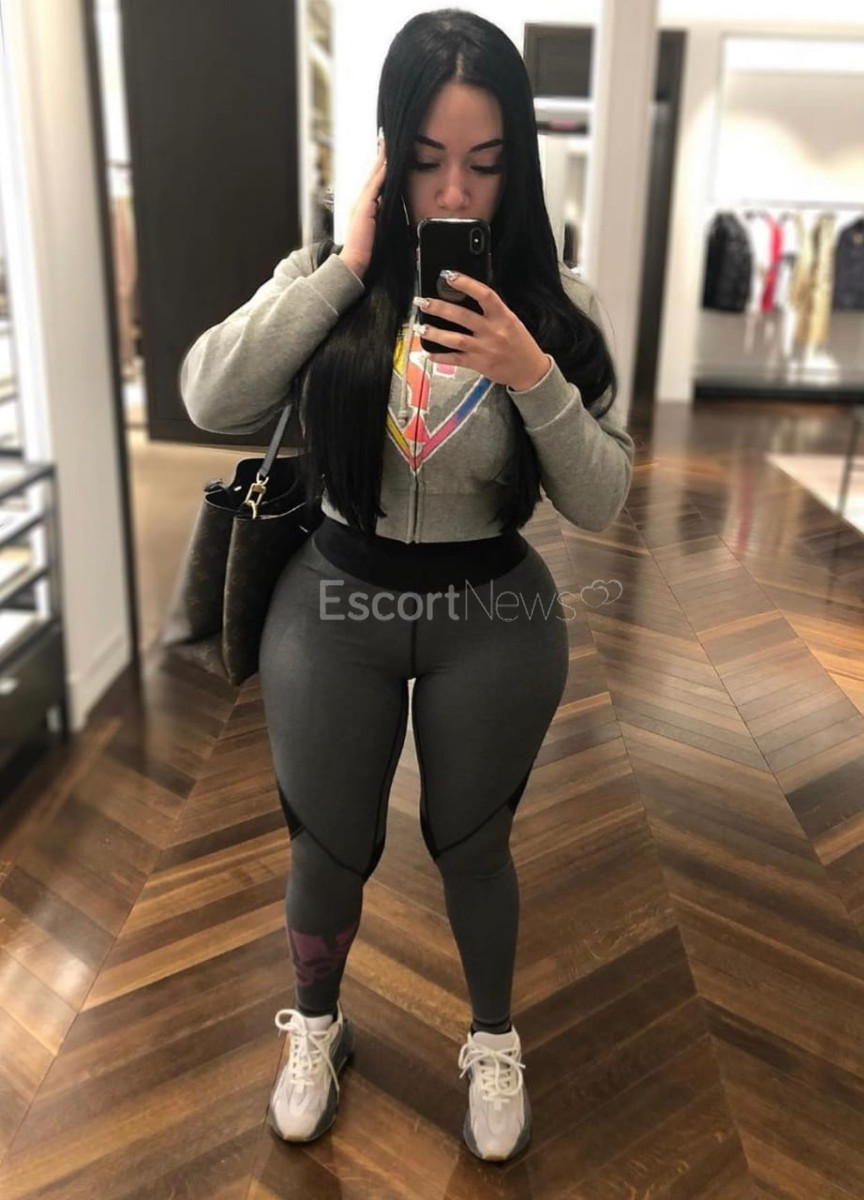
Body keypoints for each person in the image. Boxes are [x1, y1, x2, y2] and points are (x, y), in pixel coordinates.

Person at [178, 7, 634, 1165]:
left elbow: (602, 500)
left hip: (495, 611)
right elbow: (210, 397)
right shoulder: (329, 276)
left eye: (485, 163)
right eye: (426, 159)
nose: (455, 193)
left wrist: (532, 374)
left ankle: (492, 1037)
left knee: (473, 846)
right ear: (388, 152)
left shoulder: (560, 305)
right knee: (326, 848)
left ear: (520, 165)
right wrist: (344, 267)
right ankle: (317, 1026)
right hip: (334, 602)